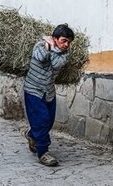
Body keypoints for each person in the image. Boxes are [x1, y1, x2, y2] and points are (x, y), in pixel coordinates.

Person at [23, 24, 74, 166]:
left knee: (49, 122)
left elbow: (56, 64)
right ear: (54, 38)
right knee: (42, 120)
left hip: (49, 92)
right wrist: (48, 46)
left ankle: (32, 135)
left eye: (69, 42)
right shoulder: (40, 45)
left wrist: (53, 48)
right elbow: (40, 57)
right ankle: (43, 153)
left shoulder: (64, 55)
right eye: (63, 40)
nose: (66, 45)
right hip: (33, 90)